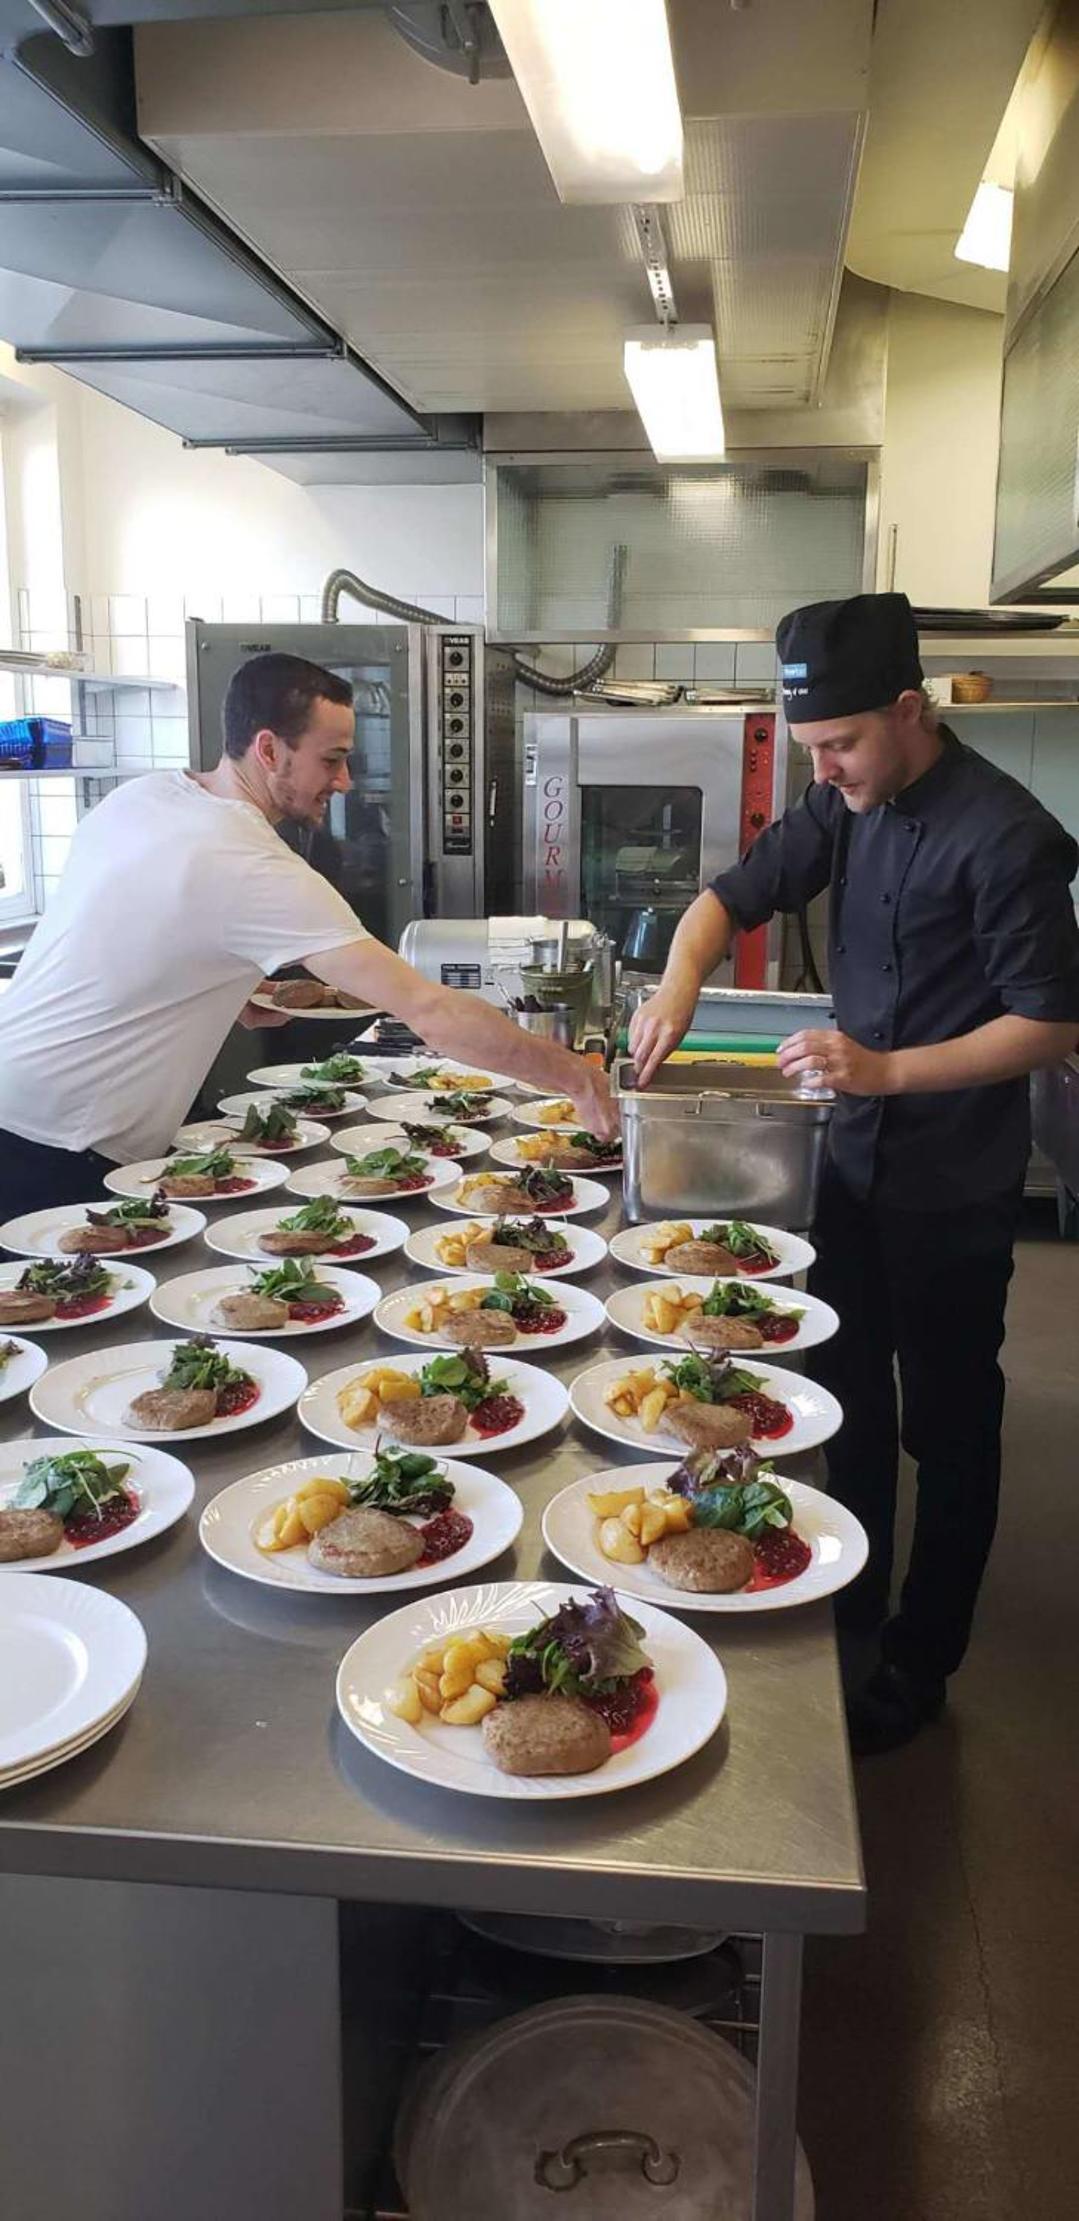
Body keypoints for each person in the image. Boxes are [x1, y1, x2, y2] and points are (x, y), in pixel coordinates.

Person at [629, 593, 1079, 1755]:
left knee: (948, 1423)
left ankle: (922, 1662)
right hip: (850, 1165)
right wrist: (677, 982)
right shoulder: (844, 801)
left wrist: (881, 1069)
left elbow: (1048, 1021)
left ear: (907, 710)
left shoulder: (1006, 835)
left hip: (952, 1181)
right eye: (810, 749)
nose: (823, 772)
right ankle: (850, 1600)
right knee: (842, 1403)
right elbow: (725, 898)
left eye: (839, 745)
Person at [0, 651, 615, 1217]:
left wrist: (226, 988)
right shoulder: (245, 859)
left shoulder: (143, 797)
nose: (345, 781)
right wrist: (576, 1077)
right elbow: (429, 1011)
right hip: (60, 1141)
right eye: (331, 759)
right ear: (269, 750)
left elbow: (123, 929)